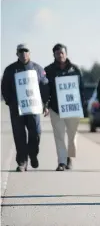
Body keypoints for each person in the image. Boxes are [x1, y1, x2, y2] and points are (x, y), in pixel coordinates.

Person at [1, 44, 50, 172]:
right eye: (21, 52)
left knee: (36, 133)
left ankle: (33, 154)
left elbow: (44, 87)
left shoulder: (38, 69)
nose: (23, 54)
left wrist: (45, 104)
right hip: (17, 109)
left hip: (33, 109)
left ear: (30, 53)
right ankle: (22, 162)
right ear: (17, 54)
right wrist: (10, 102)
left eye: (26, 51)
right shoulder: (10, 69)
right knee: (19, 135)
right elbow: (4, 87)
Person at [45, 43, 85, 171]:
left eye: (62, 53)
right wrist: (46, 105)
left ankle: (69, 157)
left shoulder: (75, 69)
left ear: (66, 54)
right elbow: (45, 90)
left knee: (72, 136)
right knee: (59, 136)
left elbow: (81, 89)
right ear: (54, 55)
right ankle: (61, 162)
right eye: (57, 53)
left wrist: (82, 105)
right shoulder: (48, 70)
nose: (60, 55)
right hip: (56, 108)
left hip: (73, 108)